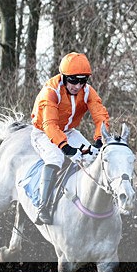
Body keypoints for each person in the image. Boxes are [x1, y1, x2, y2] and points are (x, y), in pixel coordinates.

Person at [30, 52, 110, 224]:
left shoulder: (87, 91)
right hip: (43, 133)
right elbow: (50, 125)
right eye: (73, 80)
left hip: (69, 131)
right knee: (56, 157)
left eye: (83, 80)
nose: (78, 85)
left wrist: (98, 140)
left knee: (92, 157)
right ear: (64, 77)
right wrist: (67, 149)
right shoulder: (50, 92)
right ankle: (42, 207)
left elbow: (101, 117)